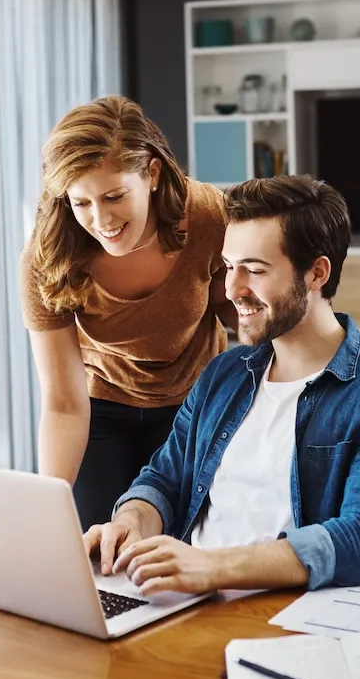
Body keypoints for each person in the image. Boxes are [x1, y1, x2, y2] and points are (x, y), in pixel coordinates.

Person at [82, 174, 360, 594]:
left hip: (294, 616)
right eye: (229, 267)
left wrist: (214, 567)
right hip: (188, 602)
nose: (232, 289)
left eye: (254, 269)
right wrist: (129, 523)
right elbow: (165, 480)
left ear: (317, 272)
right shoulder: (223, 374)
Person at [20, 96, 237, 530]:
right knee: (97, 551)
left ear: (152, 174)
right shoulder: (48, 260)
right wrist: (48, 513)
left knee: (182, 545)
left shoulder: (207, 217)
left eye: (114, 195)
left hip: (193, 403)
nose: (100, 220)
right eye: (80, 203)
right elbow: (63, 402)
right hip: (100, 405)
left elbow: (238, 313)